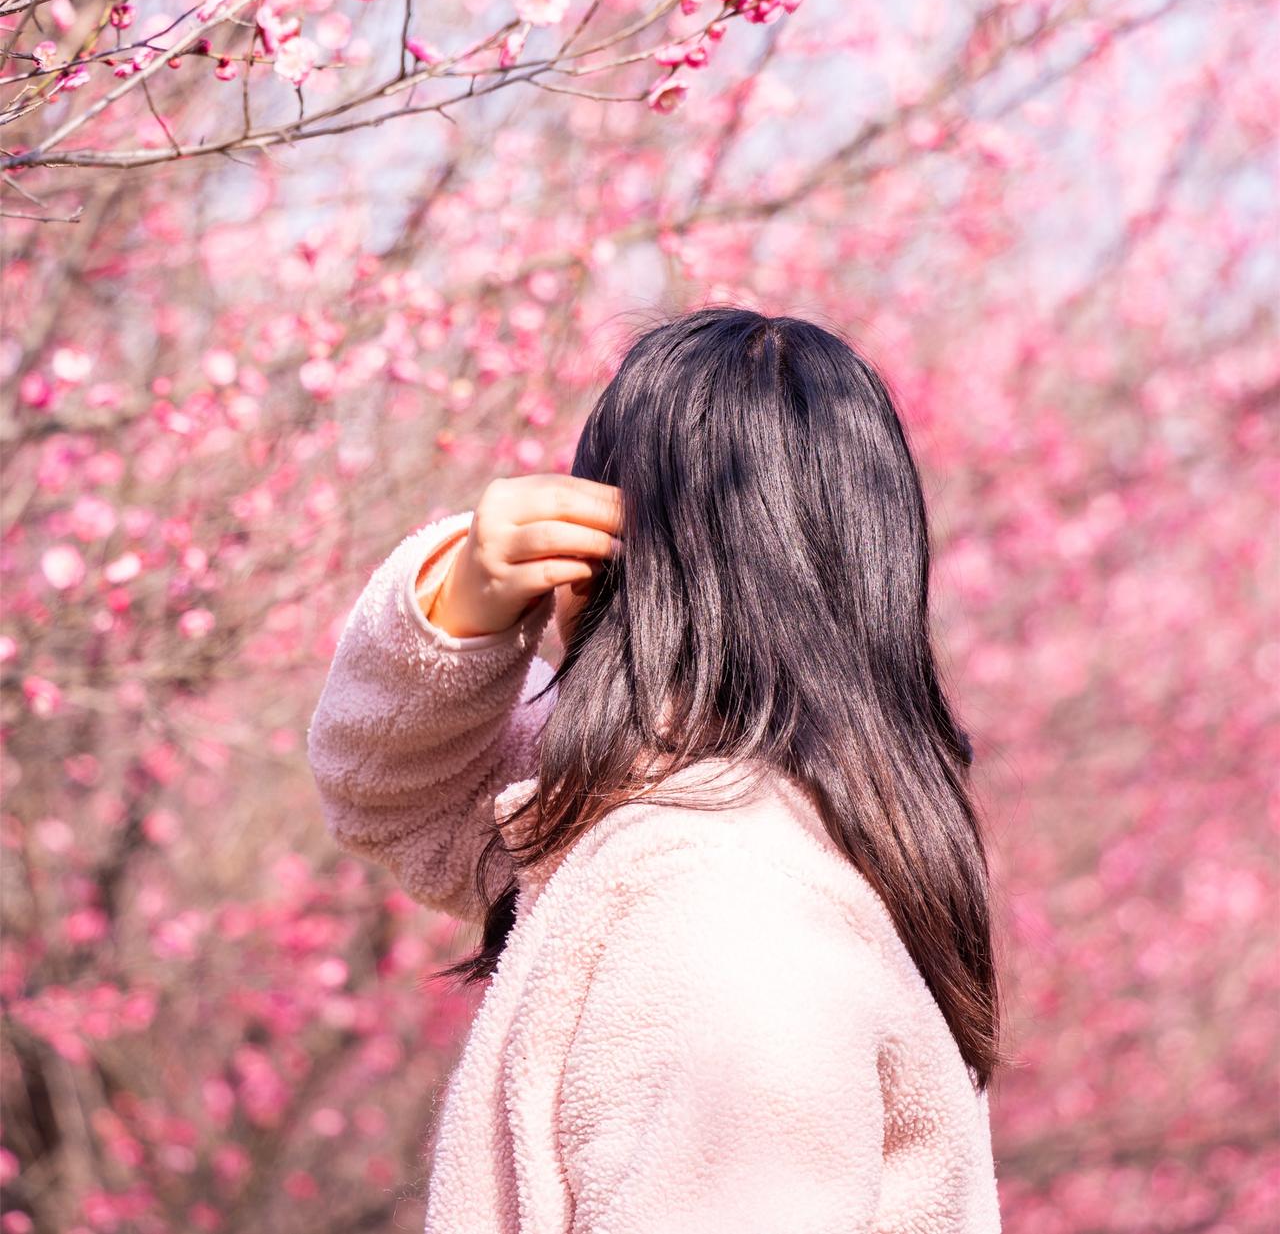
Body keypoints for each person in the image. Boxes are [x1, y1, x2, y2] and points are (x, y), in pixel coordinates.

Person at [306, 306, 1005, 1232]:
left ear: (610, 564)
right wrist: (456, 600)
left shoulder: (725, 909)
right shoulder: (730, 830)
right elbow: (395, 795)